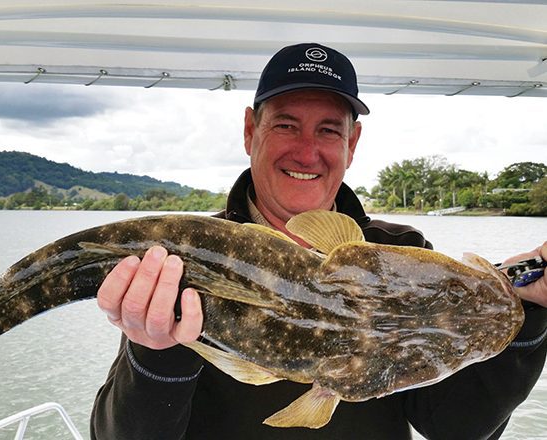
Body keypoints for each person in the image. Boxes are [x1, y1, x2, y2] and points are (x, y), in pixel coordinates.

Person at [90, 43, 547, 439]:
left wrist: (530, 314)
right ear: (251, 131)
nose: (307, 152)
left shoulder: (397, 253)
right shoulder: (189, 258)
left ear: (353, 142)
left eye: (329, 129)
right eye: (286, 125)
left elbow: (458, 427)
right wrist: (156, 351)